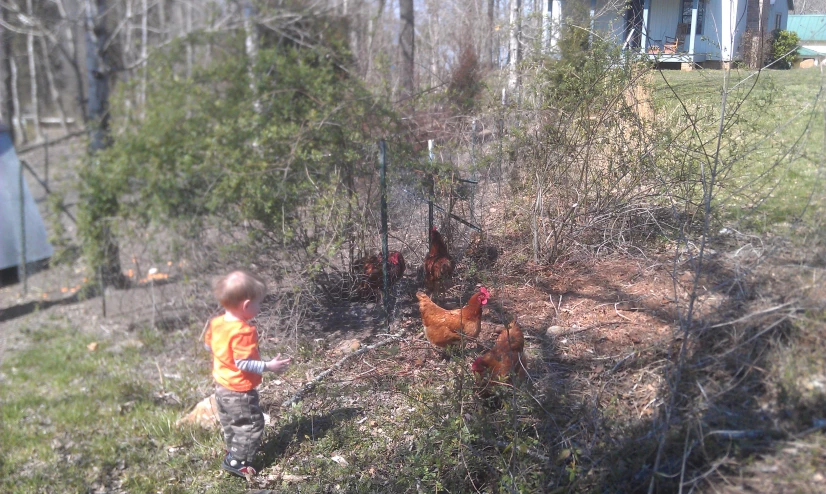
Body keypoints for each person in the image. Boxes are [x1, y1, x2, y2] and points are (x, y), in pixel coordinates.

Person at [204, 270, 291, 479]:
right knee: (252, 423)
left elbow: (209, 346)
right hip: (239, 390)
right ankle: (237, 461)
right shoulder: (243, 331)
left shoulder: (217, 323)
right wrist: (269, 366)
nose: (259, 308)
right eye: (258, 304)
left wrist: (223, 358)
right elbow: (242, 363)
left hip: (221, 386)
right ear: (246, 306)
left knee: (231, 422)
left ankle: (234, 450)